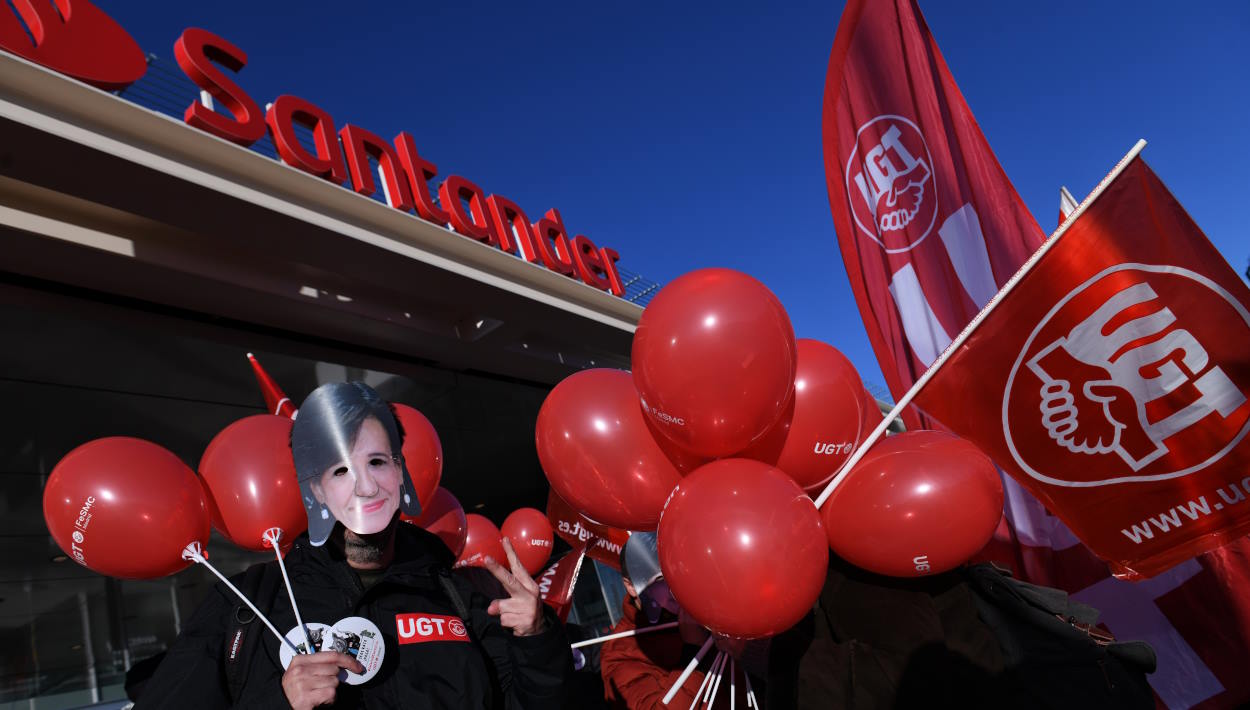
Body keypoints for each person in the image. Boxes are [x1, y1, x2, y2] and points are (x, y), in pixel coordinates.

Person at [137, 381, 570, 708]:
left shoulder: (461, 594)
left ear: (400, 475)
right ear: (316, 490)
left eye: (377, 462)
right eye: (339, 471)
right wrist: (279, 702)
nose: (364, 487)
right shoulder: (249, 603)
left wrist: (537, 638)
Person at [600, 533, 745, 709]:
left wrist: (745, 651)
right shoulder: (620, 652)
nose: (674, 590)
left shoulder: (706, 613)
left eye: (677, 574)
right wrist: (693, 651)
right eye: (661, 579)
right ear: (631, 586)